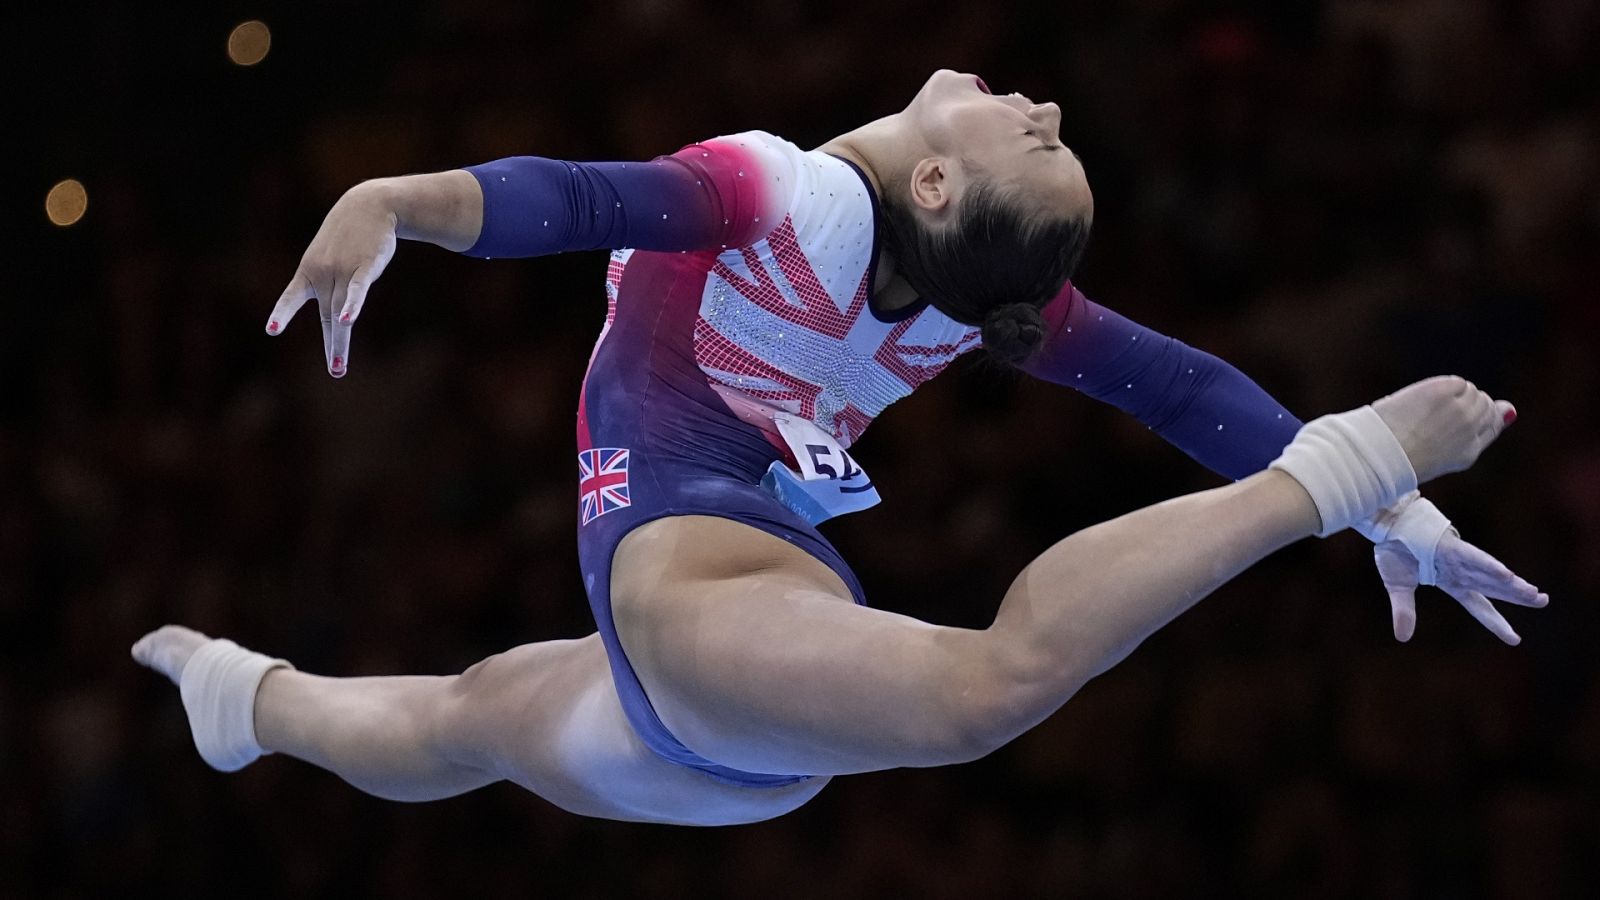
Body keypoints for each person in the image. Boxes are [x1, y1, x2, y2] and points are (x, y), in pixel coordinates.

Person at [134, 69, 1546, 825]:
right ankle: (242, 698)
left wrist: (397, 194)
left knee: (987, 685)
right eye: (1052, 136)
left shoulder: (782, 192)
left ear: (936, 180)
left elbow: (575, 196)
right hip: (718, 712)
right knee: (453, 722)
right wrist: (1402, 525)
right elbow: (1175, 388)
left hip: (709, 621)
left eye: (1034, 141)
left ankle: (1337, 470)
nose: (1043, 110)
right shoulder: (992, 304)